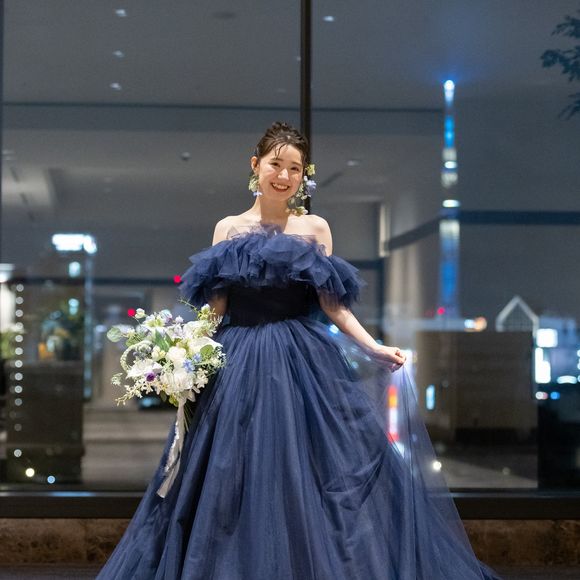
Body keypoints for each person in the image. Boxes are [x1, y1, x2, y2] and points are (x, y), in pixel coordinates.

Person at [97, 121, 501, 579]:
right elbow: (215, 310)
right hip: (237, 361)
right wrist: (182, 352)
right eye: (276, 164)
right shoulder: (228, 228)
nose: (284, 176)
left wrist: (375, 347)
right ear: (256, 165)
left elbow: (334, 307)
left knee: (318, 469)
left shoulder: (315, 228)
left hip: (303, 362)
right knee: (228, 470)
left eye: (295, 168)